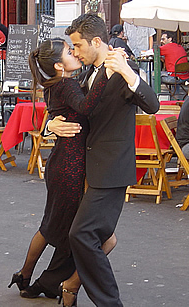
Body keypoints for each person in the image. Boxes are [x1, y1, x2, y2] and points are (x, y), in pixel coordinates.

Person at [48, 13, 158, 306]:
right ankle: (70, 284)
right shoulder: (86, 74)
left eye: (78, 46)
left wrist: (129, 73)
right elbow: (73, 110)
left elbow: (153, 103)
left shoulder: (122, 67)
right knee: (91, 237)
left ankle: (104, 300)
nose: (75, 52)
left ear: (96, 41)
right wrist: (51, 126)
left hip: (111, 169)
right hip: (87, 168)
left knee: (82, 234)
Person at [8, 37, 118, 306]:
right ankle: (52, 281)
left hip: (64, 163)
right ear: (59, 65)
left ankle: (28, 276)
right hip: (70, 167)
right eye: (70, 51)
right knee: (58, 229)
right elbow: (86, 106)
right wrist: (108, 74)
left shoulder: (55, 85)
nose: (75, 53)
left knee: (52, 227)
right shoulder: (67, 84)